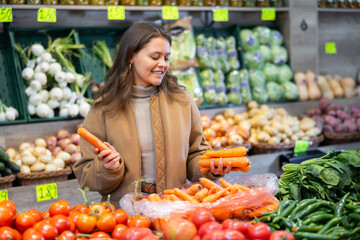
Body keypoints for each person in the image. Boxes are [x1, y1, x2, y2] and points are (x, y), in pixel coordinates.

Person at [73, 22, 232, 208]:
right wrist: (108, 168)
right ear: (131, 55)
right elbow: (86, 174)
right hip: (124, 215)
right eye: (155, 57)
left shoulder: (182, 102)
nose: (162, 65)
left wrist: (210, 169)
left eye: (166, 58)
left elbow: (195, 154)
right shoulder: (103, 108)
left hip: (174, 208)